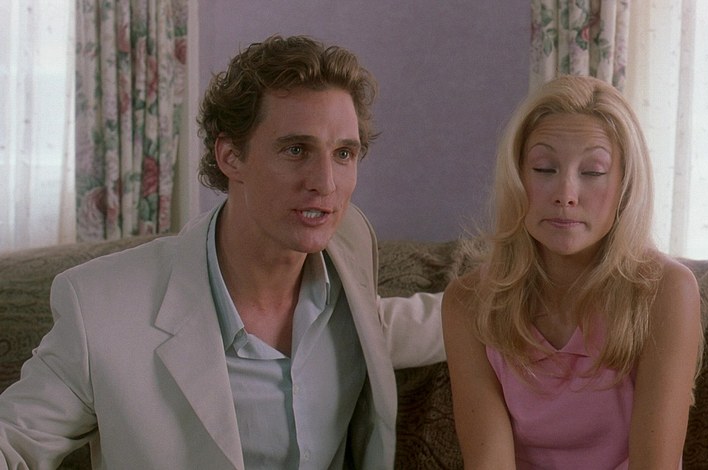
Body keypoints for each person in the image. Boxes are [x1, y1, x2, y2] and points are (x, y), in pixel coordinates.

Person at [0, 35, 444, 469]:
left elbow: (401, 324)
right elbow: (14, 440)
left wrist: (486, 299)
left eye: (343, 153)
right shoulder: (101, 307)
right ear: (231, 156)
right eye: (296, 150)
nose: (325, 183)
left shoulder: (348, 269)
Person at [442, 75, 703, 469]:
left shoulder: (667, 291)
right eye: (544, 168)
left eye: (593, 172)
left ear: (625, 185)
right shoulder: (466, 303)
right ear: (517, 178)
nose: (565, 194)